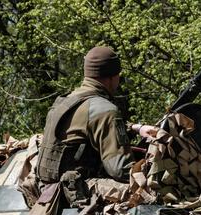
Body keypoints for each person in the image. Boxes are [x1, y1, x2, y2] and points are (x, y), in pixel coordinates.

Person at [34, 45, 155, 204]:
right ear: (113, 77)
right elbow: (121, 171)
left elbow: (88, 124)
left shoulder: (66, 101)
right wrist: (153, 169)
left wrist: (136, 128)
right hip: (74, 191)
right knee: (147, 192)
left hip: (46, 188)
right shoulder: (105, 110)